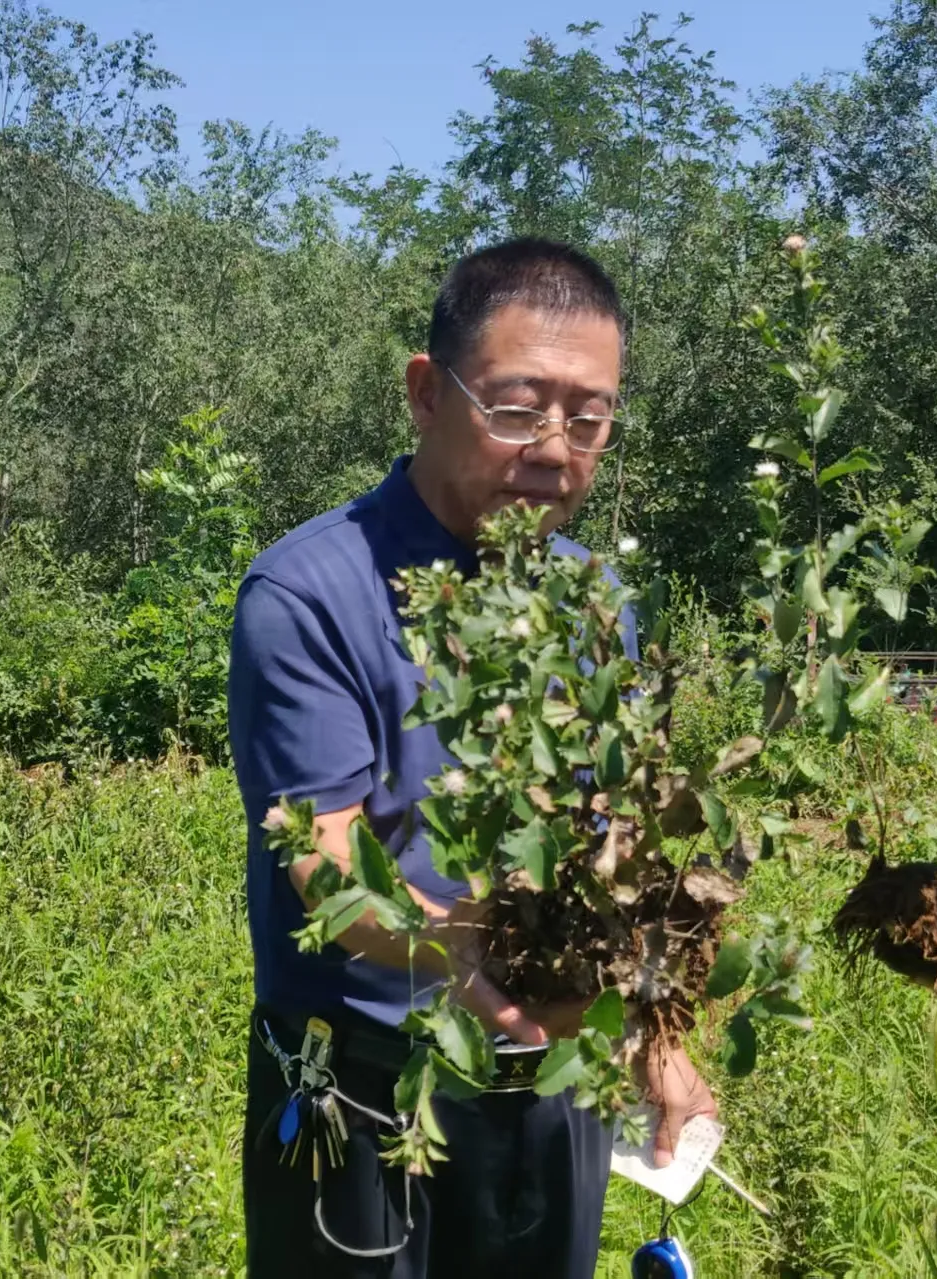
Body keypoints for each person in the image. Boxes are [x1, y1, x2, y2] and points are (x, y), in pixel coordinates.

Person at [226, 237, 715, 1278]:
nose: (553, 446)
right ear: (423, 394)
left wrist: (657, 1036)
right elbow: (321, 857)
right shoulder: (311, 594)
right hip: (365, 1102)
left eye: (588, 418)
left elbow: (611, 844)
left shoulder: (594, 604)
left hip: (549, 1094)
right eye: (516, 405)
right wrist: (460, 955)